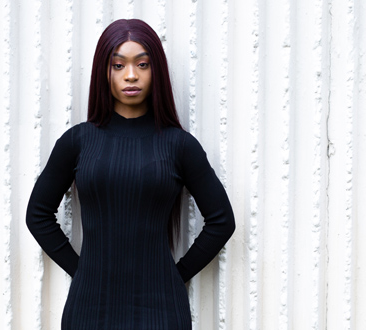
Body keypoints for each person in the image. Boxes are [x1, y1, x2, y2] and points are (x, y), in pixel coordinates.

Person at [25, 19, 235, 329]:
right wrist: (81, 271)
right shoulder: (78, 141)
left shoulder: (178, 145)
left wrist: (175, 276)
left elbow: (221, 221)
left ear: (156, 71)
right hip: (89, 309)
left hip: (161, 310)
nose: (131, 75)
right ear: (103, 72)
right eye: (118, 65)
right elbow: (38, 215)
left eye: (143, 64)